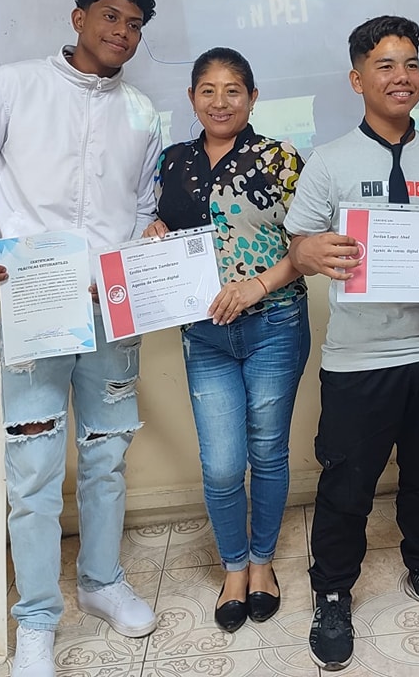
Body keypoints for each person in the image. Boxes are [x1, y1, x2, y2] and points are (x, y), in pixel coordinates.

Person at [0, 0, 163, 677]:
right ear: (78, 17)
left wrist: (147, 240)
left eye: (134, 25)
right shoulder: (13, 86)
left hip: (110, 312)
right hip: (36, 306)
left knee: (107, 453)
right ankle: (35, 618)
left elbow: (145, 204)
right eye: (110, 16)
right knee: (32, 468)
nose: (122, 32)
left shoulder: (143, 113)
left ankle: (101, 582)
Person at [285, 15, 419, 672]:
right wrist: (308, 251)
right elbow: (298, 244)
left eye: (412, 63)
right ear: (357, 79)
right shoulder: (330, 160)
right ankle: (333, 590)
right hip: (359, 361)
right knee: (347, 484)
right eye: (386, 65)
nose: (402, 77)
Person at [142, 47, 309, 634]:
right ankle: (232, 567)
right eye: (207, 90)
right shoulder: (172, 162)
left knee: (268, 452)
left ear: (253, 97)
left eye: (233, 90)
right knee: (220, 465)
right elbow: (162, 230)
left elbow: (308, 245)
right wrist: (154, 229)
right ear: (192, 98)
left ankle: (261, 564)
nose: (220, 101)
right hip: (205, 333)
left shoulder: (281, 159)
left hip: (275, 324)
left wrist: (257, 286)